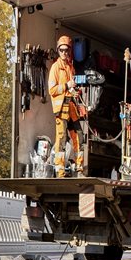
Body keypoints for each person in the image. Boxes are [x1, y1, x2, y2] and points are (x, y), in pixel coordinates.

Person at [47, 34, 83, 176]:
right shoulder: (55, 68)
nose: (64, 53)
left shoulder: (70, 67)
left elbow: (70, 87)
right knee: (61, 138)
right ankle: (60, 170)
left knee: (78, 136)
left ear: (69, 51)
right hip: (61, 108)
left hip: (71, 106)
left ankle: (79, 167)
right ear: (58, 50)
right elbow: (52, 90)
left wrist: (75, 91)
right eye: (61, 50)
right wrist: (67, 85)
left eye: (66, 50)